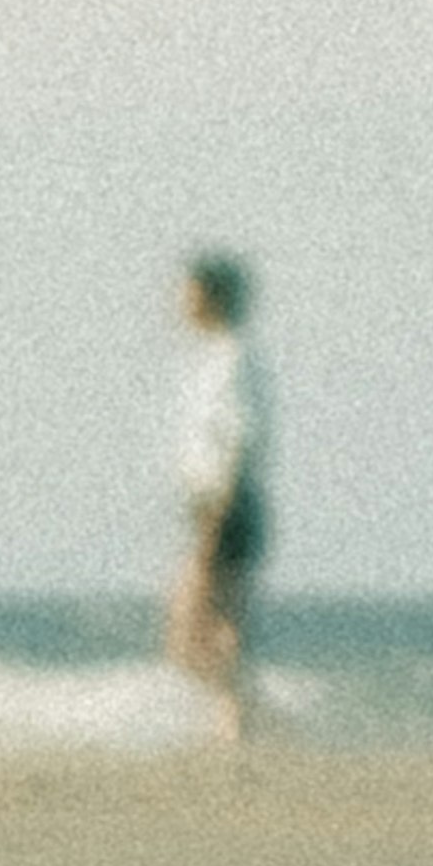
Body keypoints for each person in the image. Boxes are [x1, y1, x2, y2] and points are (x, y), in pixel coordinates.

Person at [167, 255, 270, 740]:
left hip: (226, 507)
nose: (181, 301)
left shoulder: (232, 360)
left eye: (189, 291)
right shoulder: (215, 359)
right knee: (216, 629)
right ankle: (237, 724)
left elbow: (237, 444)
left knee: (194, 631)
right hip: (214, 507)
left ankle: (242, 720)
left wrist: (214, 522)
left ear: (214, 296)